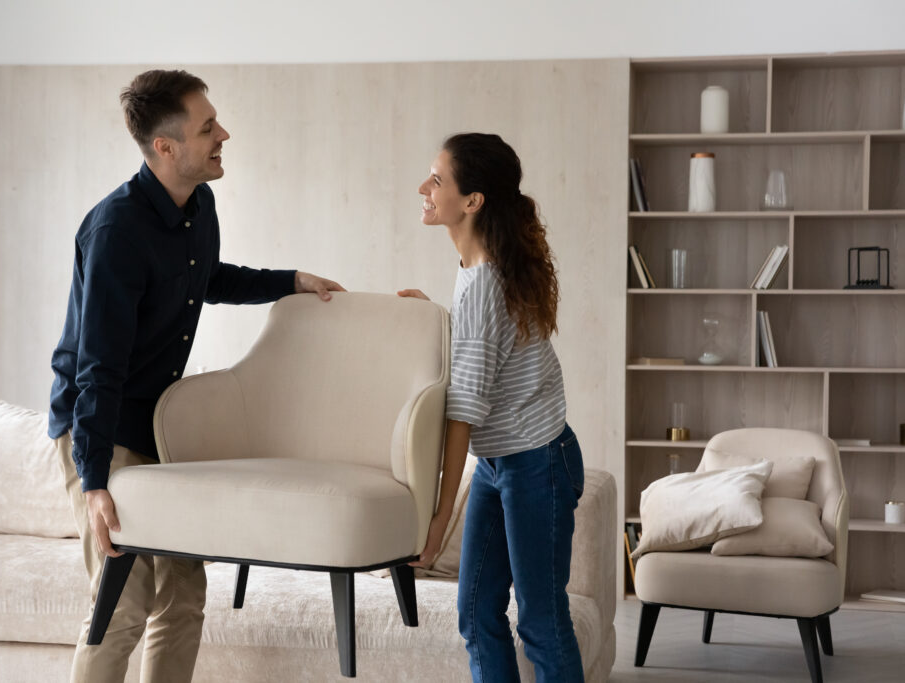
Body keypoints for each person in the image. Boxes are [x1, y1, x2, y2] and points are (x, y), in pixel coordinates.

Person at [47, 69, 343, 683]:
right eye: (208, 128)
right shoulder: (116, 231)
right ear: (165, 147)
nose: (223, 134)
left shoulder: (197, 204)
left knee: (182, 595)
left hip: (161, 430)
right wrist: (96, 479)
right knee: (120, 603)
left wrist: (290, 282)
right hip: (101, 429)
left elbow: (207, 277)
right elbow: (98, 367)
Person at [399, 132, 585, 682]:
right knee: (477, 613)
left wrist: (437, 519)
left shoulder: (482, 280)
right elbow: (484, 350)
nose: (424, 188)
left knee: (541, 622)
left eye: (437, 179)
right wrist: (435, 319)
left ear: (472, 201)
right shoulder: (478, 267)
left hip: (536, 464)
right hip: (505, 462)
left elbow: (463, 411)